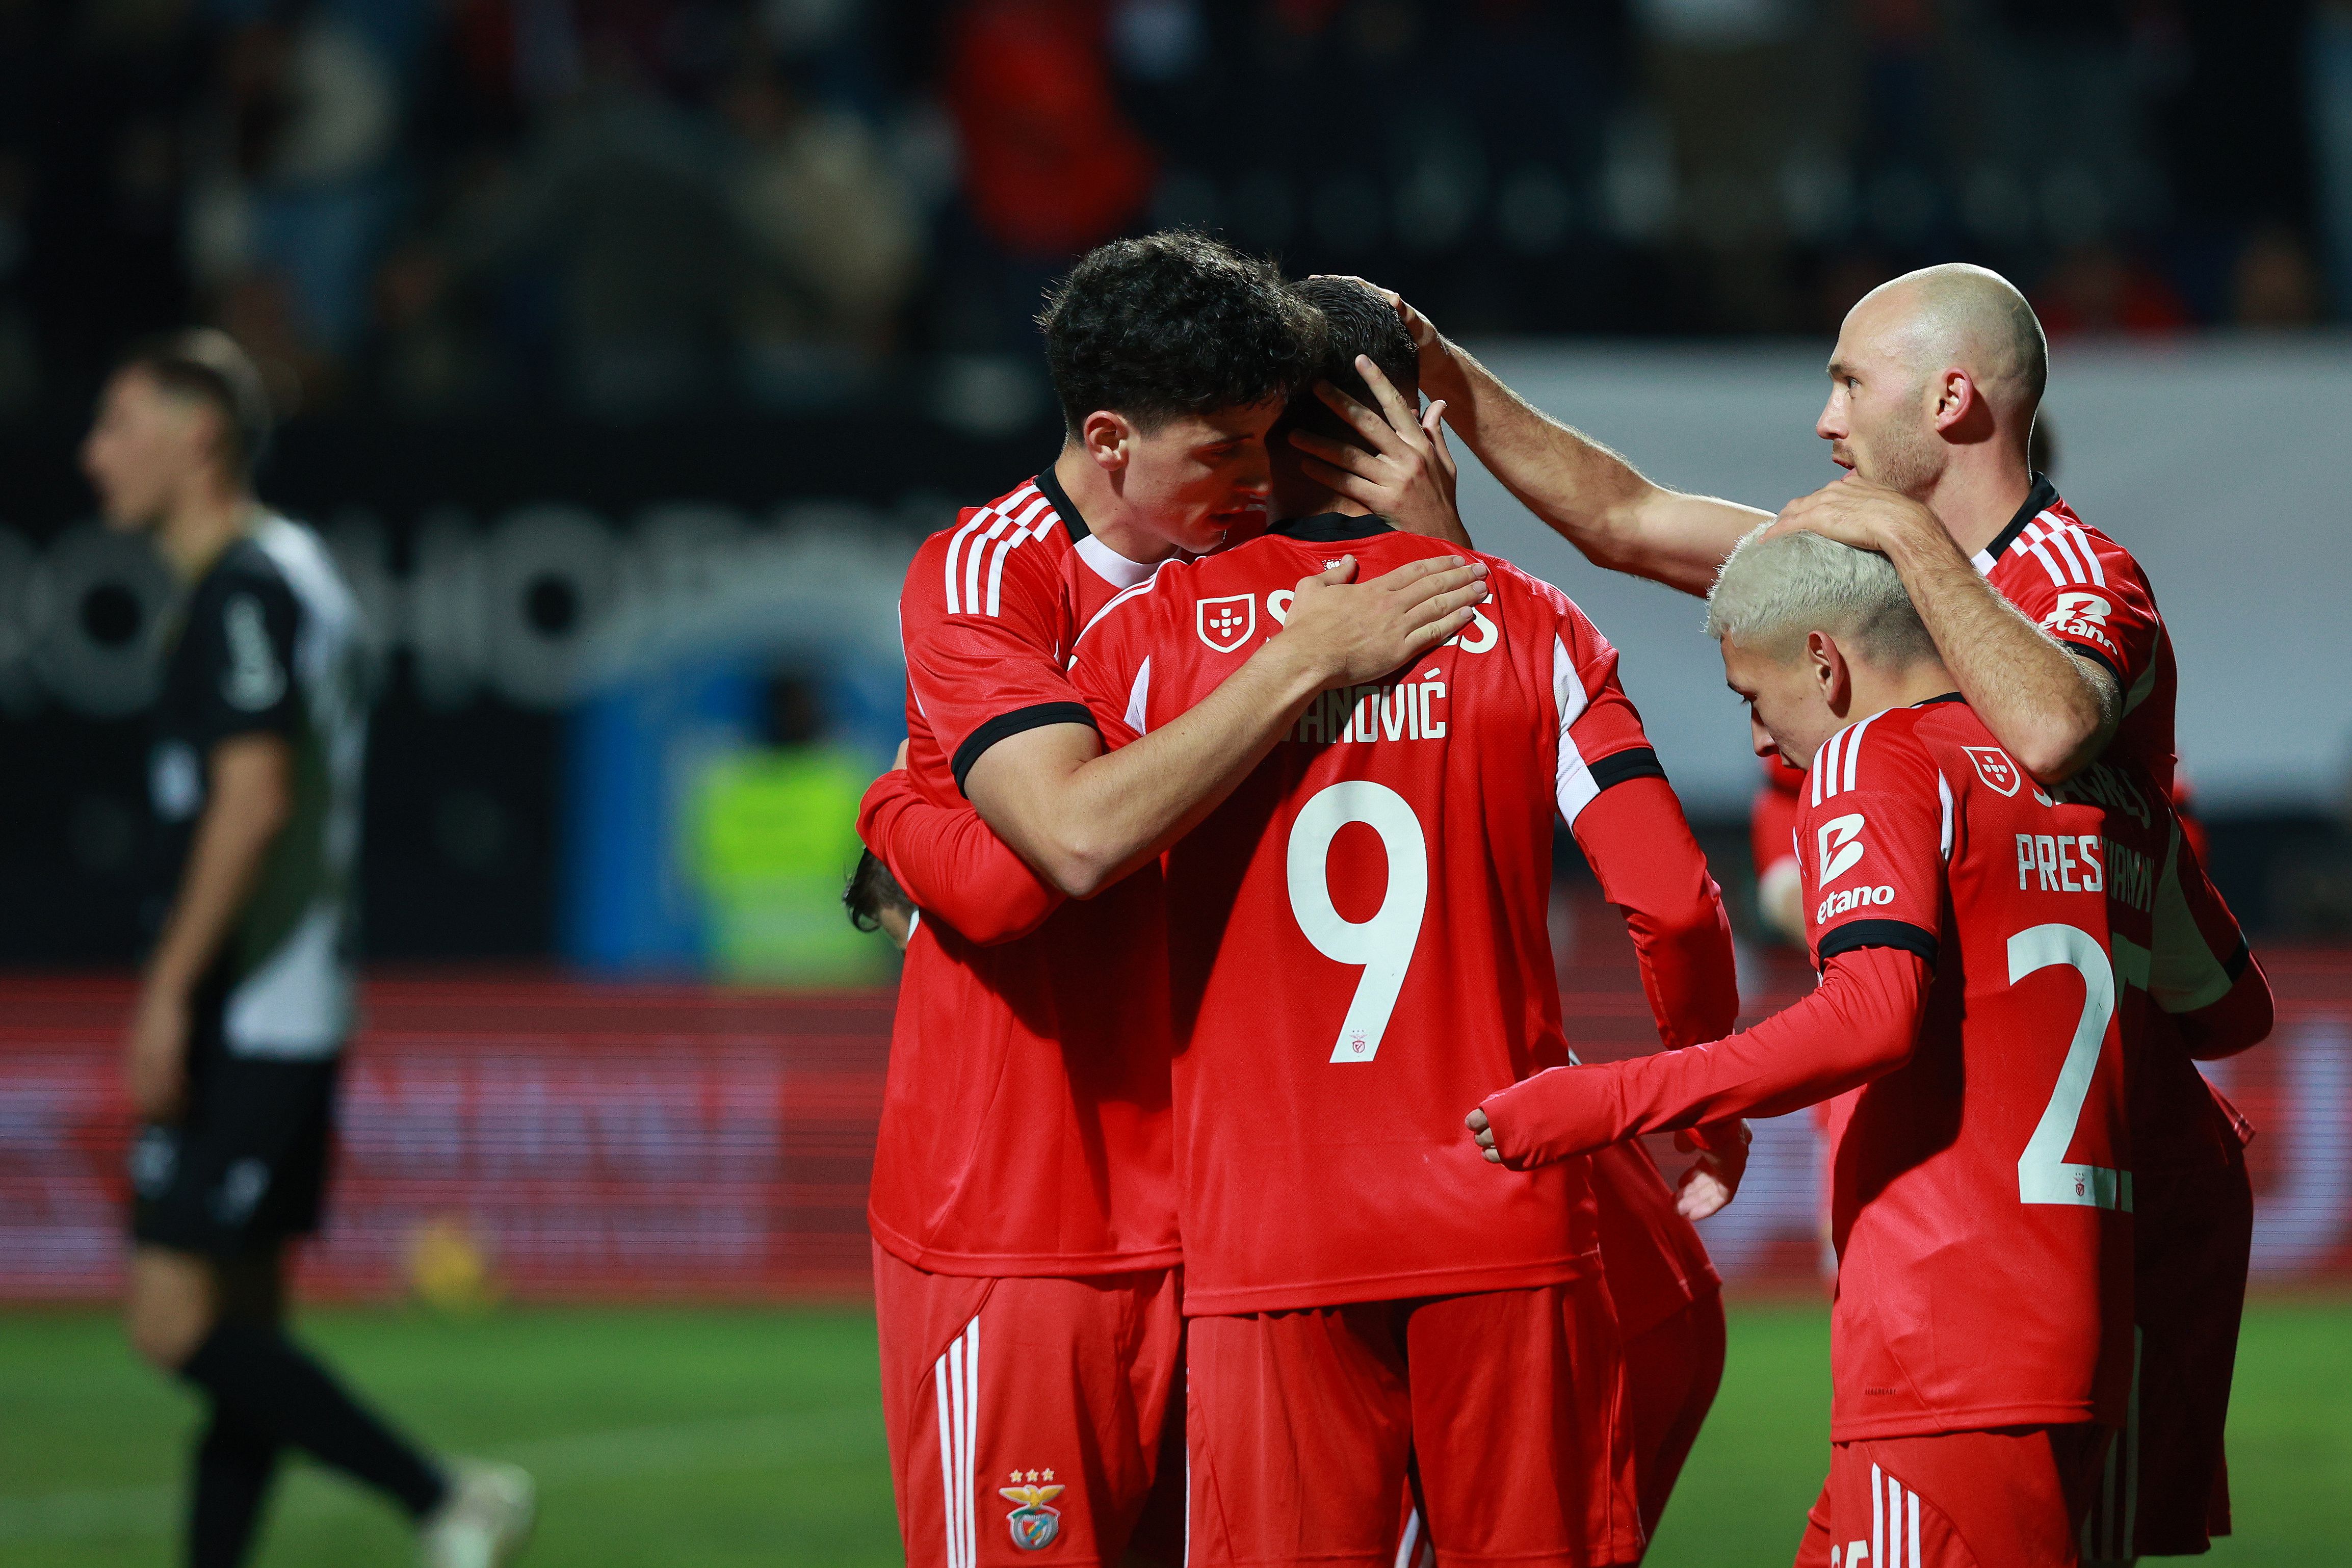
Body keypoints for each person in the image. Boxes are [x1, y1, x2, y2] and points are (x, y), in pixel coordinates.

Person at [1339, 261, 2257, 1563]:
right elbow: (1624, 514)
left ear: (1952, 399)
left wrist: (1906, 540)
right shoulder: (1857, 568)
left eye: (1848, 381)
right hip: (1987, 1166)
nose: (1824, 420)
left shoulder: (2073, 569)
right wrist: (1449, 374)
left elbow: (2051, 725)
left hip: (2097, 1174)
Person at [1059, 277, 1742, 1568]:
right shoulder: (1524, 626)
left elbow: (1064, 859)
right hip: (1505, 1216)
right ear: (1415, 425)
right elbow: (1672, 901)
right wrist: (1708, 1098)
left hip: (1268, 1227)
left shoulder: (1142, 643)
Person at [854, 234, 1490, 1568]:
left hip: (1263, 1231)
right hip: (1037, 1224)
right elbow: (1074, 843)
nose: (1260, 484)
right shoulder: (993, 579)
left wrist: (1432, 542)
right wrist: (1299, 661)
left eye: (1271, 443)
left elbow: (1464, 774)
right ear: (1107, 437)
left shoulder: (1286, 566)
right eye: (1223, 451)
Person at [1469, 528, 2271, 1566]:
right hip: (2098, 1330)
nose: (1761, 741)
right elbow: (2229, 1013)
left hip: (1945, 1337)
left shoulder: (1871, 751)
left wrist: (1601, 1101)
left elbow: (1870, 1013)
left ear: (1825, 661)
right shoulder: (2110, 790)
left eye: (1753, 698)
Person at [84, 330, 532, 1568]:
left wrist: (170, 991)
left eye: (121, 423)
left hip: (253, 1004)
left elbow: (255, 795)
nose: (93, 453)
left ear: (199, 434)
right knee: (245, 1331)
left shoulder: (246, 584)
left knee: (171, 1323)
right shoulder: (285, 576)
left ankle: (445, 1493)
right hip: (293, 993)